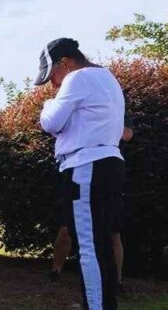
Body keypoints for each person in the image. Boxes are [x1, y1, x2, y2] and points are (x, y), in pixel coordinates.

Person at [35, 38, 125, 310]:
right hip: (108, 162)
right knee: (101, 245)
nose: (53, 84)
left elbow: (50, 123)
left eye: (52, 76)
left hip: (85, 166)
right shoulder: (107, 79)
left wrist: (49, 104)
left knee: (88, 246)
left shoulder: (77, 78)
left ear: (65, 62)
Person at [49, 116, 133, 292]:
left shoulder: (118, 111)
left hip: (108, 175)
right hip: (79, 170)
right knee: (67, 226)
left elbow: (127, 135)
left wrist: (101, 128)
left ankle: (116, 281)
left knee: (113, 231)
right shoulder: (80, 110)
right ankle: (55, 271)